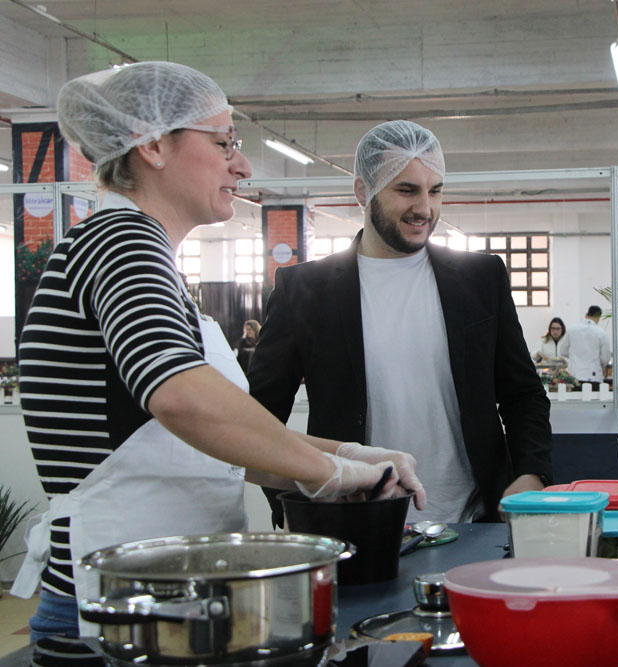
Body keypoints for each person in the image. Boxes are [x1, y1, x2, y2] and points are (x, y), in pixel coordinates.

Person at [10, 62, 424, 642]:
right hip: (116, 608)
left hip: (164, 596)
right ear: (153, 146)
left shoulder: (147, 260)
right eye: (224, 141)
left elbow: (213, 448)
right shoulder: (120, 242)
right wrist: (332, 471)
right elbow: (183, 400)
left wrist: (349, 455)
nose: (243, 164)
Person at [249, 120, 552, 525]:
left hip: (474, 519)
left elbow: (523, 394)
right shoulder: (305, 289)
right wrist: (293, 504)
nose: (425, 208)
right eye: (406, 189)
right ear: (363, 191)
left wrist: (530, 474)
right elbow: (261, 419)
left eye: (435, 190)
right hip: (357, 523)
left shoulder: (480, 279)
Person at [562, 305, 612, 385]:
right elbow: (606, 357)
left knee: (574, 397)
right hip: (594, 376)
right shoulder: (601, 333)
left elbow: (563, 351)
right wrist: (600, 366)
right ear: (599, 317)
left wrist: (574, 356)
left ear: (586, 315)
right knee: (595, 397)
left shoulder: (572, 330)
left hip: (574, 375)